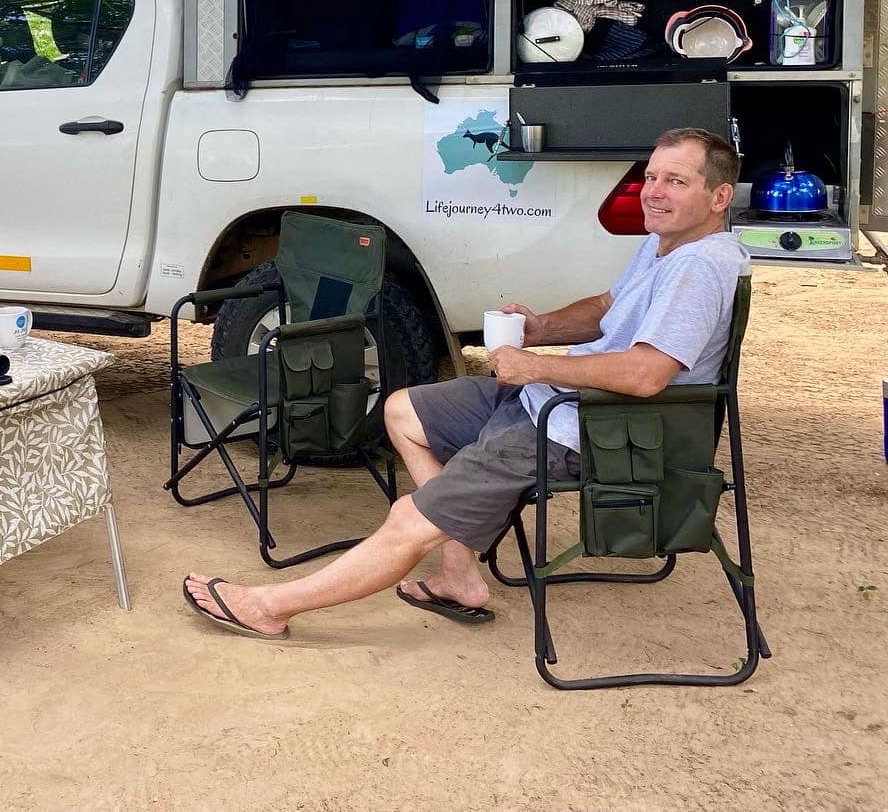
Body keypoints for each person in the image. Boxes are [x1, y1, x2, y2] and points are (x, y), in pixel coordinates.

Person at [183, 127, 748, 639]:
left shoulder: (699, 267)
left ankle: (269, 606)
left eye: (675, 181)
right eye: (651, 177)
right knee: (403, 411)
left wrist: (537, 365)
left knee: (411, 516)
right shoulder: (664, 246)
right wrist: (541, 328)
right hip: (556, 403)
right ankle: (458, 571)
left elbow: (647, 374)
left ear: (719, 197)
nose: (654, 192)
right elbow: (608, 307)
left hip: (597, 428)